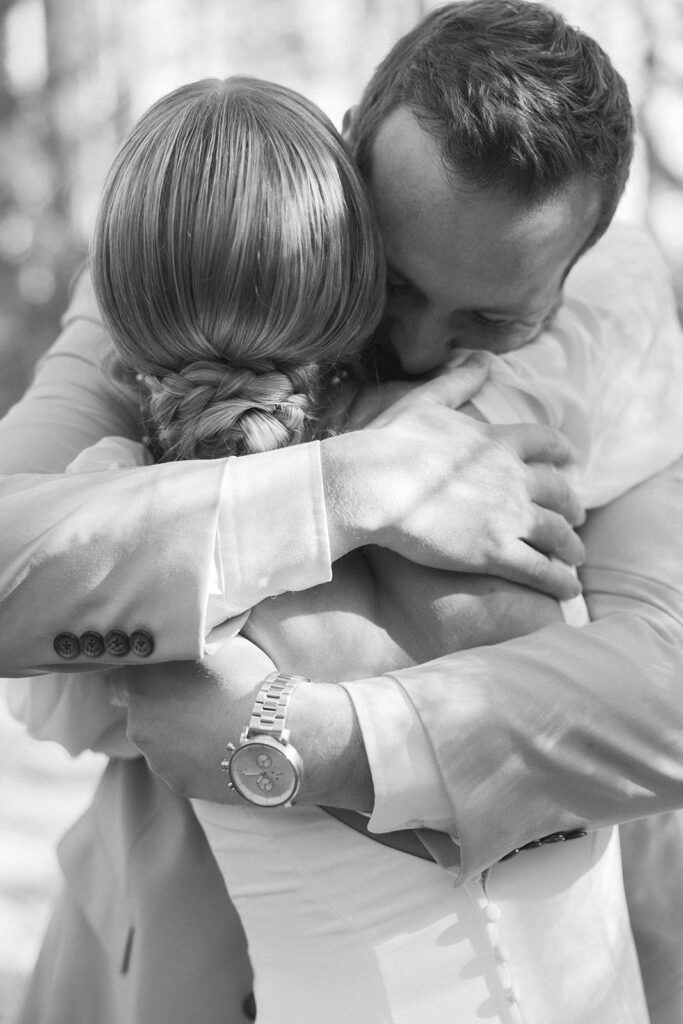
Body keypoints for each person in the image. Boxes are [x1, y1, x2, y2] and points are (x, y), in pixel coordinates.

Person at [3, 1, 683, 1021]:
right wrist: (353, 489)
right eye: (395, 285)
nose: (416, 349)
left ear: (573, 265)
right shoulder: (200, 258)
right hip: (174, 961)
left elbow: (666, 688)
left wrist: (319, 740)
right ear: (354, 141)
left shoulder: (613, 314)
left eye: (492, 317)